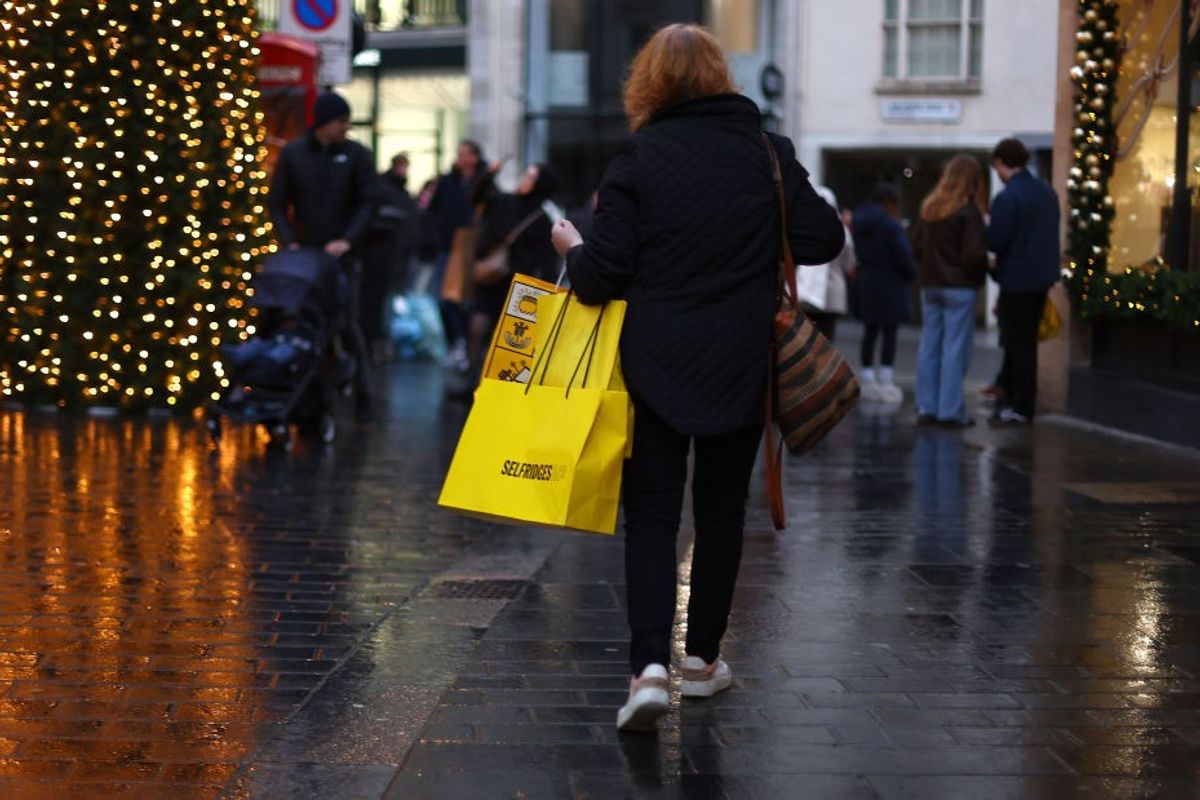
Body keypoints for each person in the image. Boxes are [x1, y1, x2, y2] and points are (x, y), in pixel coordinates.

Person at [550, 23, 844, 733]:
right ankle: (704, 661)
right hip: (742, 363)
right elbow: (823, 239)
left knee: (651, 512)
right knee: (718, 512)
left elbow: (598, 279)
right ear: (721, 76)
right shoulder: (767, 154)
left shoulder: (639, 158)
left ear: (648, 83)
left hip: (653, 363)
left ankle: (648, 667)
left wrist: (571, 243)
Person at [269, 90, 380, 416]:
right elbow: (277, 202)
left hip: (342, 254)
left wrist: (347, 240)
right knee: (302, 317)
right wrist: (289, 241)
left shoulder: (356, 155)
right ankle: (306, 384)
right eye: (340, 122)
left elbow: (368, 201)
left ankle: (362, 387)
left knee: (346, 319)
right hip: (305, 254)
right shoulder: (294, 154)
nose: (346, 128)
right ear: (323, 122)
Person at [910, 155, 989, 428]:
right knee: (955, 349)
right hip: (960, 287)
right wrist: (983, 268)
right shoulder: (968, 212)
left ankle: (926, 406)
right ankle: (950, 411)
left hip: (931, 285)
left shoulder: (930, 208)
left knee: (929, 346)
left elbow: (916, 247)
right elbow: (972, 255)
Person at [986, 138, 1061, 425]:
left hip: (1016, 279)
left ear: (1001, 163)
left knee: (1019, 344)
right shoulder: (1047, 192)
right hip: (1041, 279)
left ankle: (1021, 405)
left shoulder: (1007, 197)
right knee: (1026, 342)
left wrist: (993, 261)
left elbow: (996, 240)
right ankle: (1011, 394)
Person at [470, 162, 563, 381]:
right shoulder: (536, 215)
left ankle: (480, 380)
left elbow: (547, 263)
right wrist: (489, 174)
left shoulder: (525, 211)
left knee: (491, 332)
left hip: (507, 282)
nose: (524, 179)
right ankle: (479, 379)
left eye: (530, 177)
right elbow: (476, 197)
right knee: (485, 330)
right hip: (509, 282)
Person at [428, 140, 490, 371]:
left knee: (467, 302)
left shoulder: (484, 182)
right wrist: (438, 236)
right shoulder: (448, 181)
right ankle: (457, 343)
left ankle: (466, 347)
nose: (462, 159)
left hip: (472, 248)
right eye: (459, 154)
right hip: (448, 247)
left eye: (467, 154)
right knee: (444, 299)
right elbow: (433, 211)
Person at [852, 183, 916, 404]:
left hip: (868, 280)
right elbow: (903, 258)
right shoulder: (891, 226)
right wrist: (911, 273)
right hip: (891, 283)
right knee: (890, 331)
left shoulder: (858, 222)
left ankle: (867, 377)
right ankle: (886, 377)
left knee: (870, 330)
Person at [360, 153, 420, 364]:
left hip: (394, 251)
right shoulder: (386, 190)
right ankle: (378, 342)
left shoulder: (392, 190)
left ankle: (381, 342)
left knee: (385, 300)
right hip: (385, 253)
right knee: (379, 301)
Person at [796, 186, 855, 341]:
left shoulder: (803, 226)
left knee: (805, 337)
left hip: (805, 290)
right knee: (826, 338)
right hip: (832, 293)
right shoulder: (841, 230)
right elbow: (849, 263)